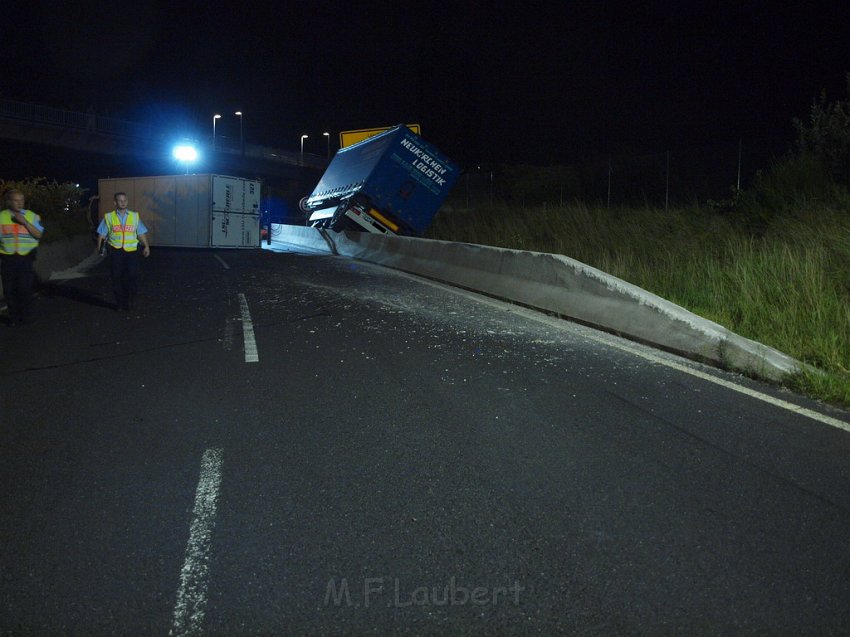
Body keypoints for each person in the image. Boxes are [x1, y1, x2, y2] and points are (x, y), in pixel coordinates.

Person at [96, 192, 150, 311]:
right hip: (116, 251)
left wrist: (146, 246)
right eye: (120, 200)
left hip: (132, 251)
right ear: (115, 202)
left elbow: (140, 232)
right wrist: (99, 249)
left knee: (133, 276)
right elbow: (102, 235)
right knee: (117, 277)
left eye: (125, 200)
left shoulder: (134, 216)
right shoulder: (109, 217)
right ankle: (120, 303)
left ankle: (132, 301)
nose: (123, 202)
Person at [0, 189, 44, 326]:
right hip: (7, 258)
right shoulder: (1, 217)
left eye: (22, 200)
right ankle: (14, 317)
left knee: (24, 289)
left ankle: (25, 316)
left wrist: (25, 222)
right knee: (9, 290)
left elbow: (38, 234)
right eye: (16, 200)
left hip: (25, 258)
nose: (20, 203)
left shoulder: (32, 216)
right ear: (8, 202)